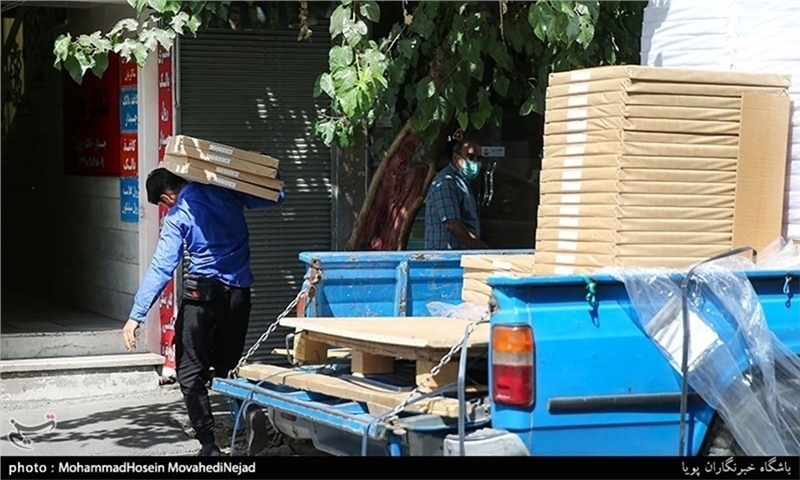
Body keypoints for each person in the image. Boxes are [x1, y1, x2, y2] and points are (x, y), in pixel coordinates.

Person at [122, 167, 284, 456]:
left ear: (165, 196)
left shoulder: (179, 213)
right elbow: (276, 197)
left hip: (202, 298)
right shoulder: (226, 191)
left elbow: (162, 267)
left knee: (189, 372)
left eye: (161, 204)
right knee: (228, 367)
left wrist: (136, 315)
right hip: (239, 296)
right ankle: (246, 415)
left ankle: (209, 444)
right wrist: (264, 174)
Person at [424, 138, 490, 250]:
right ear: (456, 158)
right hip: (445, 260)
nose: (475, 162)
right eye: (470, 157)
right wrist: (482, 249)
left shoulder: (461, 182)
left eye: (478, 159)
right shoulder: (446, 182)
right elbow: (452, 224)